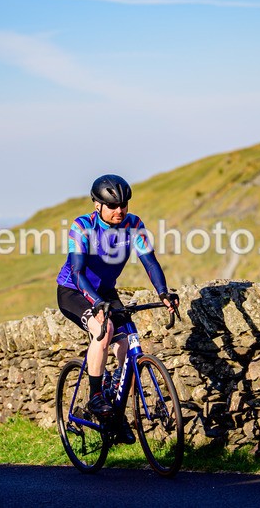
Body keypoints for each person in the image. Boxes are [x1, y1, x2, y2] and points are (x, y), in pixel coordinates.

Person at [56, 174, 179, 444]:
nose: (119, 210)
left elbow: (149, 261)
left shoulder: (134, 225)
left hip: (105, 292)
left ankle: (117, 415)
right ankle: (96, 396)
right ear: (97, 205)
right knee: (104, 328)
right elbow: (77, 271)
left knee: (127, 344)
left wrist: (163, 292)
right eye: (112, 206)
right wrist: (96, 302)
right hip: (75, 289)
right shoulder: (82, 227)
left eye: (123, 204)